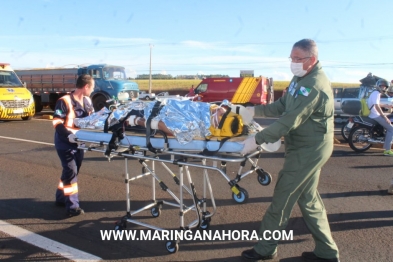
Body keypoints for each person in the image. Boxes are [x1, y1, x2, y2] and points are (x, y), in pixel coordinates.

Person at [240, 39, 340, 262]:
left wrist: (258, 138)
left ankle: (265, 249)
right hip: (304, 146)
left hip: (310, 149)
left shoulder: (314, 84)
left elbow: (291, 120)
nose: (293, 63)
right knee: (308, 199)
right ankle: (327, 252)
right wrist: (254, 110)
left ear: (311, 60)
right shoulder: (301, 77)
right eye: (291, 58)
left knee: (283, 197)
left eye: (298, 59)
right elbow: (283, 106)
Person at [53, 74, 95, 217]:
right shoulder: (64, 101)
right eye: (92, 87)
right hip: (65, 142)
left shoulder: (88, 101)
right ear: (86, 86)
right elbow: (57, 122)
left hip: (79, 142)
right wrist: (68, 135)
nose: (93, 90)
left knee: (72, 171)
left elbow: (92, 119)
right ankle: (72, 206)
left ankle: (60, 197)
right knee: (71, 171)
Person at [367, 78, 393, 156]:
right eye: (382, 86)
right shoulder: (376, 93)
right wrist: (384, 117)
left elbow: (376, 104)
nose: (383, 87)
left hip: (374, 114)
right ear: (378, 85)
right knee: (391, 129)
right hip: (375, 115)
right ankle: (387, 150)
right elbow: (377, 106)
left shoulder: (376, 93)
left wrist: (386, 105)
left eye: (384, 86)